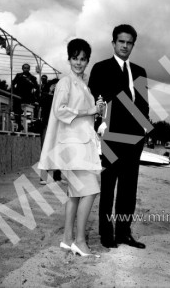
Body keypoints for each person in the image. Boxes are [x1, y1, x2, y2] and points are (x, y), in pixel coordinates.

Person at [38, 38, 104, 257]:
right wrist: (90, 110)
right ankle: (80, 241)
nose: (78, 62)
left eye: (83, 59)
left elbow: (84, 111)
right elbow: (60, 110)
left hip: (82, 143)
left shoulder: (82, 83)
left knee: (76, 194)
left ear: (87, 61)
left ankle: (67, 239)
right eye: (75, 58)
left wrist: (97, 109)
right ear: (69, 59)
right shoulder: (65, 82)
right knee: (92, 189)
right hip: (73, 146)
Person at [88, 24, 149, 249]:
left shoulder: (140, 71)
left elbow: (143, 105)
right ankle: (106, 234)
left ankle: (124, 232)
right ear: (113, 43)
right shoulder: (101, 68)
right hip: (111, 135)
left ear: (133, 45)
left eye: (129, 42)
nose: (125, 46)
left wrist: (144, 132)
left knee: (128, 188)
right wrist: (100, 125)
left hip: (135, 138)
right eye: (121, 41)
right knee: (108, 186)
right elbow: (94, 98)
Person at [39, 74, 62, 184]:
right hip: (47, 126)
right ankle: (43, 178)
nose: (56, 87)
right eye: (54, 85)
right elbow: (42, 103)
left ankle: (57, 177)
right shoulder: (45, 95)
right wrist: (50, 92)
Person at [12, 63, 39, 131]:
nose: (26, 69)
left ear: (29, 69)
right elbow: (13, 83)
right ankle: (19, 125)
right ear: (22, 69)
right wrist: (14, 91)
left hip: (27, 96)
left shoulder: (32, 78)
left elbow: (36, 87)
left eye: (27, 68)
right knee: (16, 108)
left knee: (17, 107)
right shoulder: (18, 75)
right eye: (25, 68)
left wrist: (30, 83)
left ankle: (20, 124)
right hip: (18, 95)